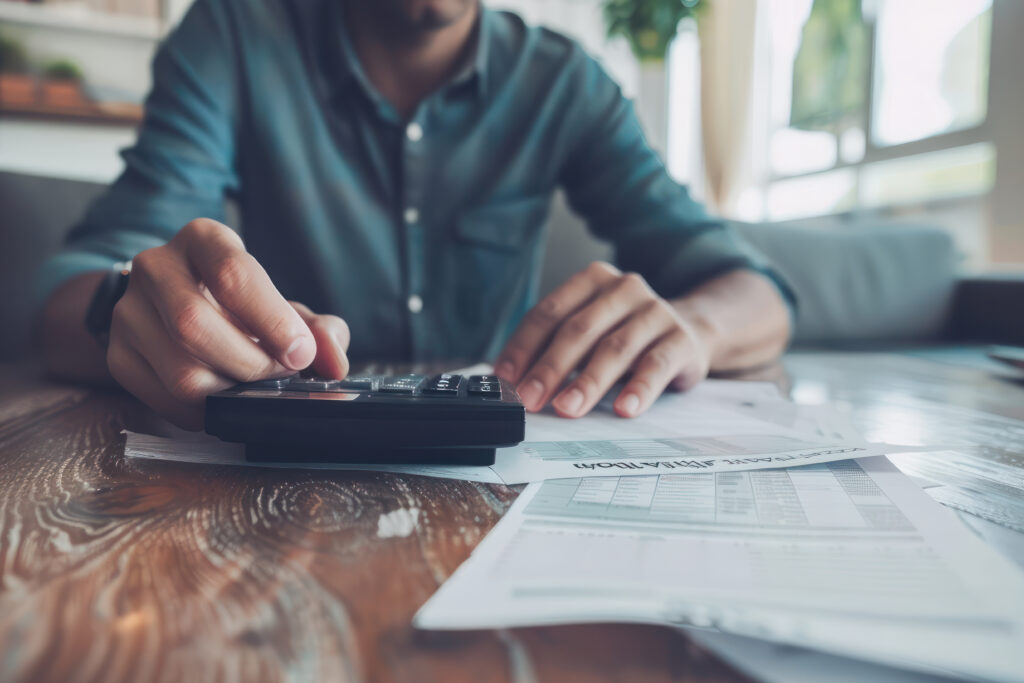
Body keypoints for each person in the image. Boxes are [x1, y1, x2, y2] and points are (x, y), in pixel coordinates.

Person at [36, 0, 793, 430]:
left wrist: (698, 327)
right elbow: (73, 285)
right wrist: (125, 305)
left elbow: (748, 285)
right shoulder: (233, 35)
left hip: (512, 482)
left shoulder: (568, 85)